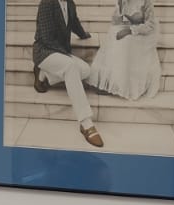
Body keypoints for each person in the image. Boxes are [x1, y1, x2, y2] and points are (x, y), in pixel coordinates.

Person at [33, 0, 106, 147]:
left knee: (85, 70)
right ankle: (86, 123)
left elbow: (74, 23)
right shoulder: (47, 3)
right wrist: (66, 56)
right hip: (45, 51)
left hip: (60, 51)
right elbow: (46, 38)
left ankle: (45, 76)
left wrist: (83, 34)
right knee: (70, 66)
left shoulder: (70, 3)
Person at [85, 0, 162, 103]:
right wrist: (120, 11)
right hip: (128, 30)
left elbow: (150, 26)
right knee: (113, 34)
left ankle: (121, 85)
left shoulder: (146, 2)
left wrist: (130, 30)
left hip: (142, 35)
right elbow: (115, 22)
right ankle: (110, 82)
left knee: (126, 42)